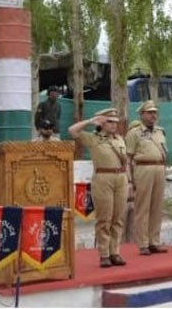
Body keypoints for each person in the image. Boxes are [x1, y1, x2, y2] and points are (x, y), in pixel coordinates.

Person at [70, 108, 129, 268]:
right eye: (109, 121)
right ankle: (104, 254)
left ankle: (115, 252)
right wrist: (90, 121)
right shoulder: (94, 138)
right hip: (103, 178)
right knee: (105, 218)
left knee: (118, 218)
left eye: (115, 122)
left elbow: (126, 162)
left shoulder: (120, 139)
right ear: (102, 123)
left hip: (121, 178)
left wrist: (129, 181)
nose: (113, 125)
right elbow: (72, 130)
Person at [126, 101, 169, 255]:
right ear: (142, 114)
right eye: (150, 112)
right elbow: (128, 158)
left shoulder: (160, 132)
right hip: (143, 168)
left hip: (159, 167)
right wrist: (130, 180)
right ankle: (143, 243)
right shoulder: (134, 133)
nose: (153, 115)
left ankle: (154, 241)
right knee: (142, 207)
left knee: (157, 207)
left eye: (155, 112)